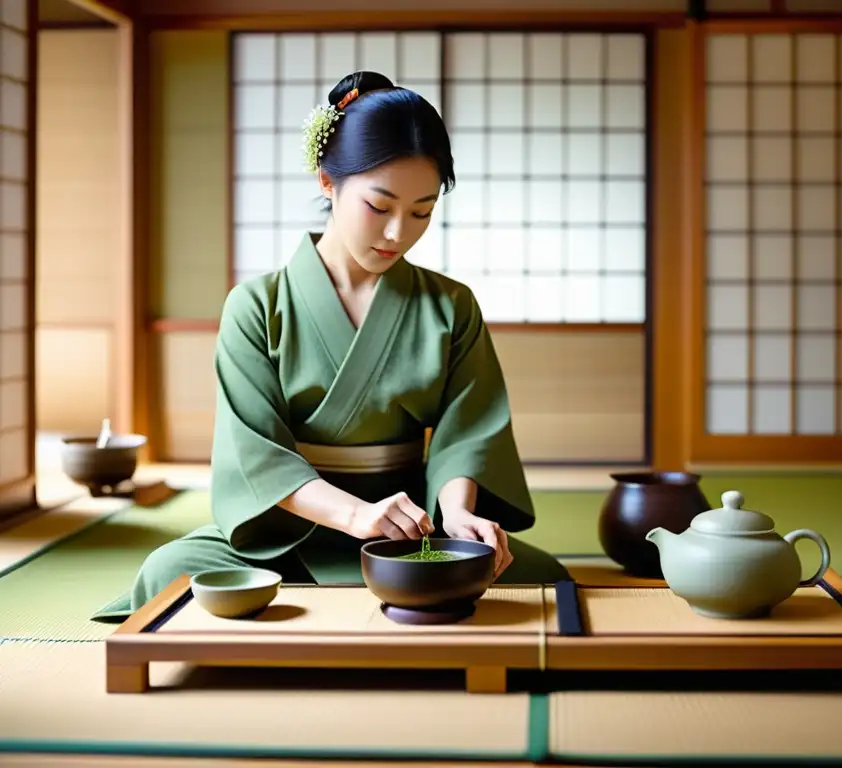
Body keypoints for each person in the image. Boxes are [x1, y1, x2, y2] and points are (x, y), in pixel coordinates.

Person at [92, 71, 570, 622]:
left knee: (542, 577)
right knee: (168, 572)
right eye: (379, 205)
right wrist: (355, 517)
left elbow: (469, 433)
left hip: (410, 531)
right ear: (327, 181)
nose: (398, 233)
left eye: (421, 211)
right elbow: (257, 458)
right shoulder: (256, 305)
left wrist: (458, 516)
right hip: (288, 530)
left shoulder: (451, 305)